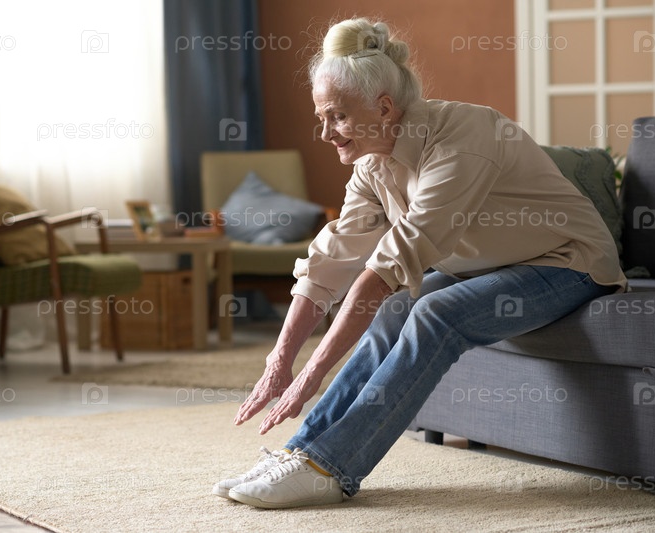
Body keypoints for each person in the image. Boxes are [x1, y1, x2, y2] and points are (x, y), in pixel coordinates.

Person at [213, 17, 627, 509]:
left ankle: (330, 468)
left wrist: (313, 373)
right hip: (490, 267)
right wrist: (280, 362)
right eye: (320, 117)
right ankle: (301, 452)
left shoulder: (463, 137)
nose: (325, 133)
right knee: (396, 311)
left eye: (337, 117)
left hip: (569, 261)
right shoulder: (371, 163)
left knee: (434, 312)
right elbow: (330, 261)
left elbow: (385, 270)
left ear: (384, 107)